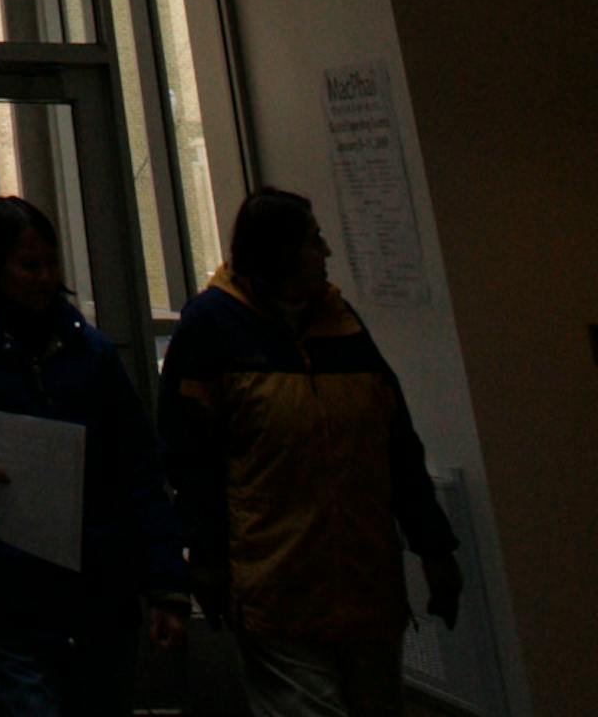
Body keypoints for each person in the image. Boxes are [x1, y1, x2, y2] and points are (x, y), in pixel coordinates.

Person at [160, 187, 460, 717]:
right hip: (278, 590)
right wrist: (204, 558)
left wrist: (434, 547)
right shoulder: (212, 327)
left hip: (366, 589)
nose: (326, 253)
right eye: (313, 242)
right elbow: (190, 458)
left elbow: (396, 445)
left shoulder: (341, 322)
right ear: (277, 252)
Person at [0, 195, 188, 714]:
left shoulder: (93, 354)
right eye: (28, 265)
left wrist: (167, 583)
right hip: (17, 595)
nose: (43, 277)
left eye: (50, 263)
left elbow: (140, 469)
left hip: (97, 590)